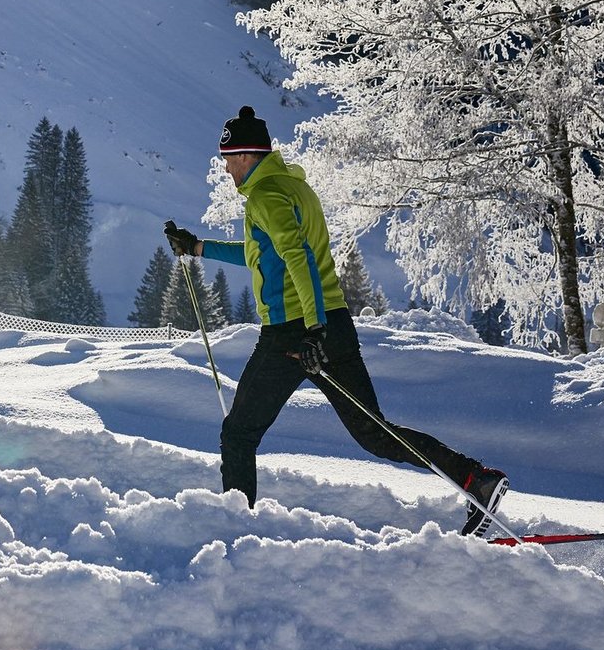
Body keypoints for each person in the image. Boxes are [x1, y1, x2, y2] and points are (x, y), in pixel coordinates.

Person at [165, 106, 508, 535]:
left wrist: (312, 330)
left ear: (248, 155)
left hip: (294, 333)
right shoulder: (293, 189)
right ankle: (477, 479)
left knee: (238, 434)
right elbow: (261, 255)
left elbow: (297, 257)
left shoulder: (265, 197)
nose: (227, 166)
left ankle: (235, 533)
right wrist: (198, 248)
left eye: (230, 157)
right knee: (376, 434)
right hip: (334, 323)